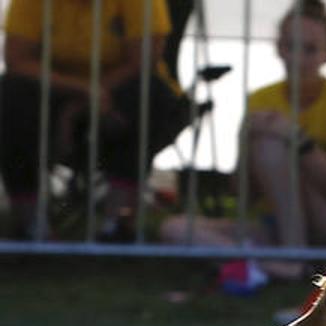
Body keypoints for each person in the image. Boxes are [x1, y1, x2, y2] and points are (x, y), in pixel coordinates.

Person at [160, 0, 326, 281]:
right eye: (290, 46)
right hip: (275, 225)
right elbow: (243, 194)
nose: (297, 59)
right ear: (278, 46)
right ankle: (281, 265)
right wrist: (248, 143)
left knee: (273, 143)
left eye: (309, 49)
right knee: (174, 229)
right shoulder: (260, 100)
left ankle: (284, 259)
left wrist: (295, 139)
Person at [0, 0, 191, 240]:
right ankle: (32, 227)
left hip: (119, 91)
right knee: (11, 94)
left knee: (148, 95)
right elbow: (16, 60)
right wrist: (82, 90)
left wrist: (77, 108)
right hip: (54, 93)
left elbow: (142, 61)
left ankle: (118, 224)